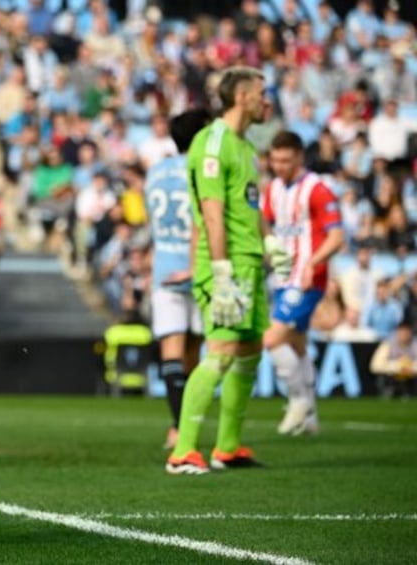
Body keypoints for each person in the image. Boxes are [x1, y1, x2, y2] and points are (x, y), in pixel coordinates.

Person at [166, 67, 290, 475]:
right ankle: (183, 450)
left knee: (251, 351)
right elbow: (212, 214)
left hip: (250, 263)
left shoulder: (246, 146)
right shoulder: (214, 142)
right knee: (219, 354)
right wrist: (220, 271)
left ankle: (227, 447)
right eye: (261, 92)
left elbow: (250, 207)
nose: (266, 100)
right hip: (226, 264)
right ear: (240, 96)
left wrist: (270, 241)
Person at [260, 131, 344, 437]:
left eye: (285, 160)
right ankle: (311, 416)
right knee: (297, 344)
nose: (279, 165)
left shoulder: (318, 190)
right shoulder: (273, 189)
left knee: (272, 339)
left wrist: (313, 262)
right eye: (274, 159)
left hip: (308, 278)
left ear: (298, 157)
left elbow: (337, 237)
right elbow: (265, 225)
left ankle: (297, 401)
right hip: (283, 277)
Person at [144, 108, 211, 450]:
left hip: (164, 267)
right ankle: (187, 426)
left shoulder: (155, 172)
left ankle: (176, 426)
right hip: (198, 265)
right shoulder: (204, 170)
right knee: (194, 352)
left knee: (171, 351)